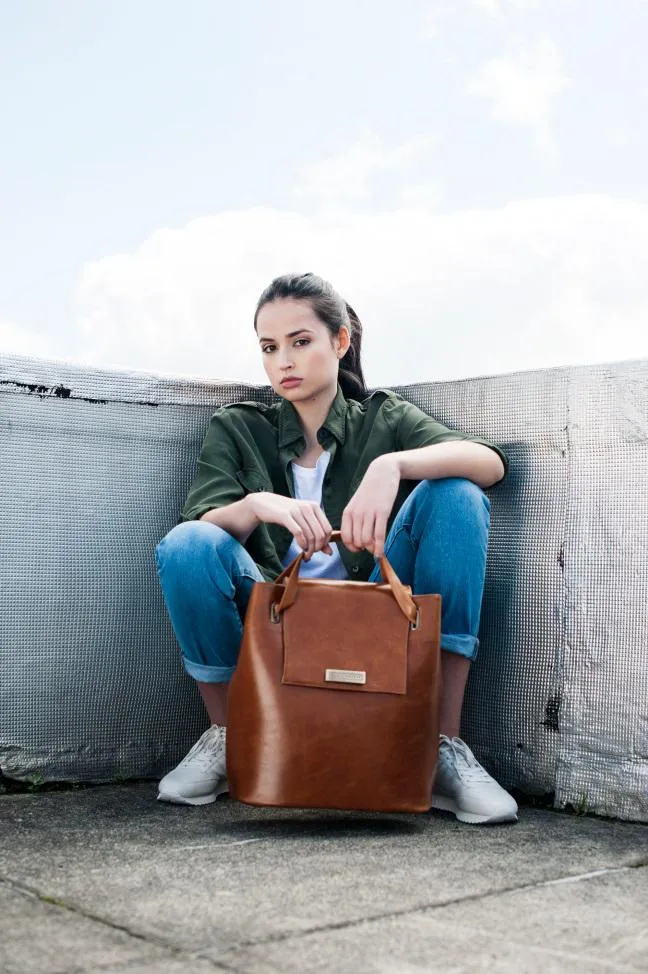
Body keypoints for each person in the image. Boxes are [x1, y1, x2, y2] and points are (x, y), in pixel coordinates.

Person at [154, 272, 518, 825]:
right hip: (277, 623)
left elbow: (488, 463)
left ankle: (442, 747)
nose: (284, 362)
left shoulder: (384, 418)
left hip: (375, 622)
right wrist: (257, 504)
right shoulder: (239, 428)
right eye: (269, 348)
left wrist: (391, 465)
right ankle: (232, 741)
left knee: (455, 495)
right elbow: (203, 527)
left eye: (301, 342)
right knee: (188, 544)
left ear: (340, 341)